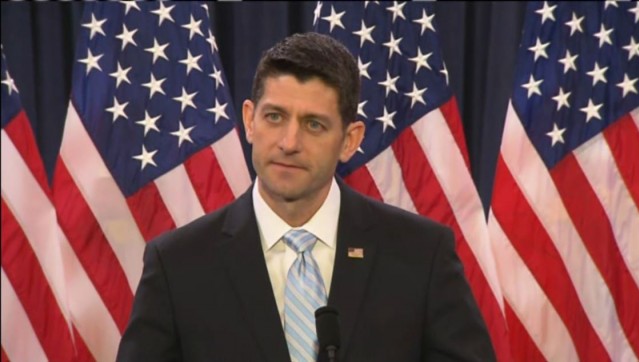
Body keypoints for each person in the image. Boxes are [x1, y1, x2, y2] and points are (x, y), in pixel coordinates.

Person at [117, 32, 496, 362]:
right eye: (275, 117)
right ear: (249, 120)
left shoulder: (420, 255)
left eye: (314, 125)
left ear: (350, 140)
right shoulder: (178, 265)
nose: (289, 143)